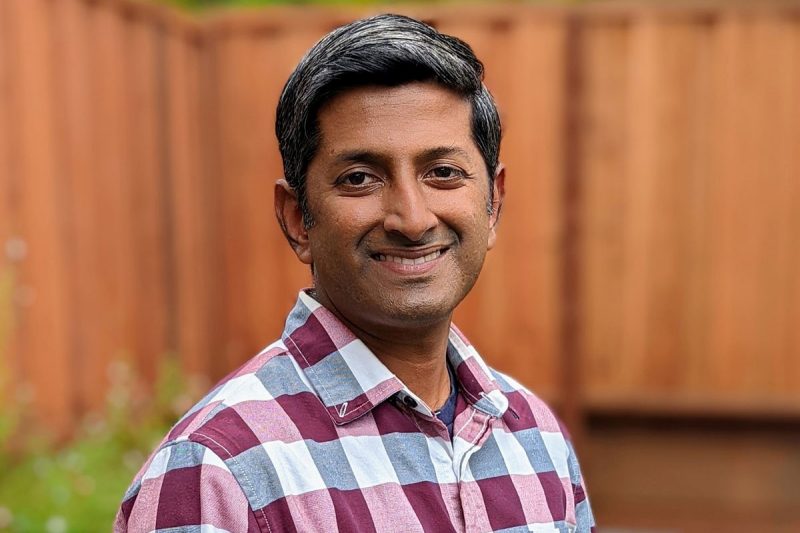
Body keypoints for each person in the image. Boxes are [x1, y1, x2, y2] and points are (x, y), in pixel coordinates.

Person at [115, 13, 595, 533]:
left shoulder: (538, 441)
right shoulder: (218, 473)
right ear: (298, 219)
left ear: (492, 203)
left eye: (443, 173)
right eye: (360, 178)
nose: (412, 219)